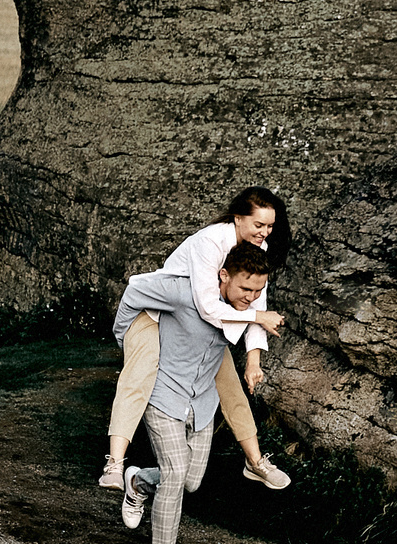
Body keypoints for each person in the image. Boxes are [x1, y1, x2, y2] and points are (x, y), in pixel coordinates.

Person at [112, 241, 274, 544]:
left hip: (202, 403)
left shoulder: (244, 308)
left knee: (191, 481)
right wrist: (126, 338)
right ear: (223, 275)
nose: (251, 298)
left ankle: (138, 480)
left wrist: (253, 363)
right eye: (245, 288)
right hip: (163, 394)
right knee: (174, 472)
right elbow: (136, 288)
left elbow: (253, 331)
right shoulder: (185, 292)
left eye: (258, 291)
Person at [103, 187, 292, 494]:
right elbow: (208, 305)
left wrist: (254, 361)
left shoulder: (257, 249)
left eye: (270, 226)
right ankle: (115, 463)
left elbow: (258, 304)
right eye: (259, 225)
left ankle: (255, 462)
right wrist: (123, 333)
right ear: (237, 218)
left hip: (199, 325)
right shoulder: (210, 241)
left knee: (231, 386)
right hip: (158, 314)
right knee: (137, 377)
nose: (265, 232)